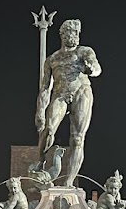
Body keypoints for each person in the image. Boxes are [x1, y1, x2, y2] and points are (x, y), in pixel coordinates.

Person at [35, 19, 102, 187]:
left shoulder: (84, 52)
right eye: (72, 33)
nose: (75, 36)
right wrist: (40, 111)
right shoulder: (52, 59)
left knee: (78, 138)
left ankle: (69, 182)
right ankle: (40, 161)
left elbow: (97, 68)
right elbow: (44, 89)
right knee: (49, 128)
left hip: (81, 92)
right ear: (63, 35)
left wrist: (91, 69)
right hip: (60, 94)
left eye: (77, 33)